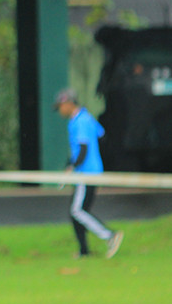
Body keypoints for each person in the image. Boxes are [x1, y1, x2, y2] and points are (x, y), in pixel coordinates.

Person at [53, 87, 124, 259]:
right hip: (88, 172)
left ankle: (110, 235)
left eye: (60, 106)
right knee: (76, 211)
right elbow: (101, 136)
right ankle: (84, 250)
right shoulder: (85, 118)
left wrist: (73, 167)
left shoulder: (81, 121)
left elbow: (83, 148)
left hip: (86, 173)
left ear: (69, 104)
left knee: (77, 211)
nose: (60, 111)